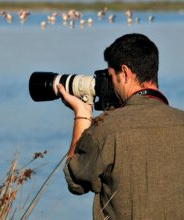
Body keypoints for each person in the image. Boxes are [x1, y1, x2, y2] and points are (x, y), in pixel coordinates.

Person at [58, 33, 184, 219]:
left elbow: (76, 181)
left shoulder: (107, 128)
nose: (111, 85)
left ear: (124, 73)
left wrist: (82, 114)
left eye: (111, 76)